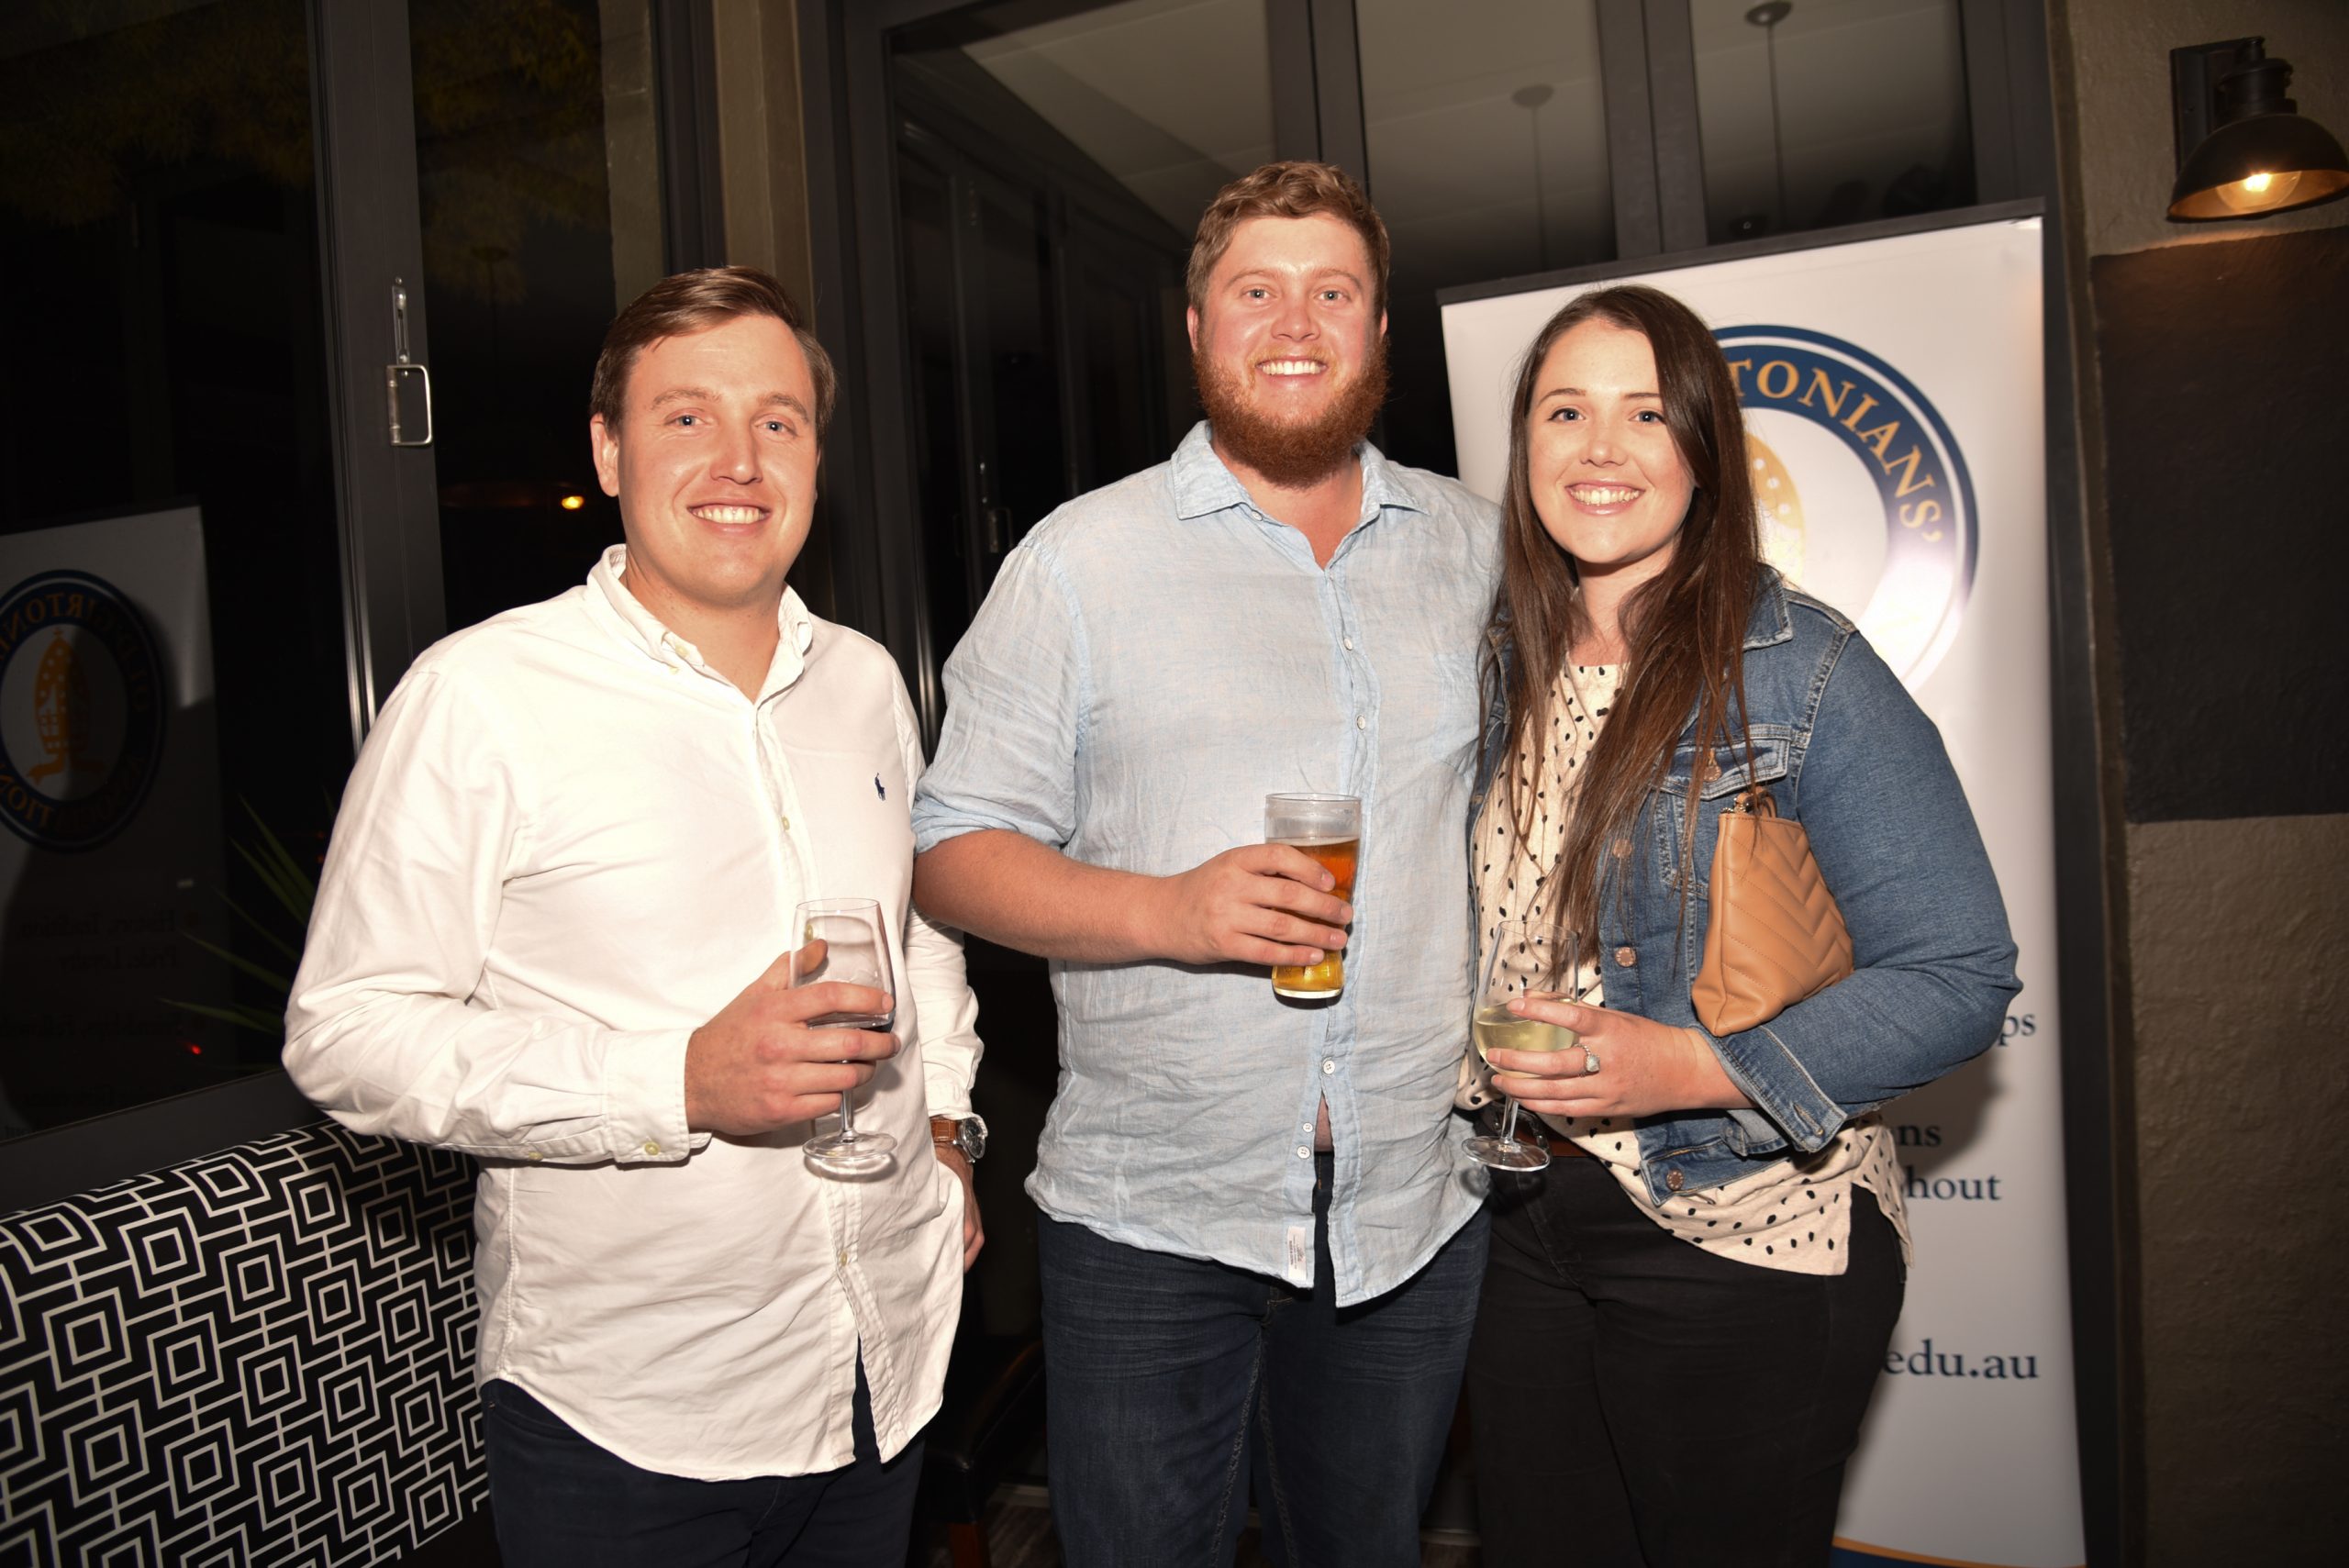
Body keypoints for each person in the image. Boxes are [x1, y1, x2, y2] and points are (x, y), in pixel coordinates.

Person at [284, 267, 986, 1568]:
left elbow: (917, 929)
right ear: (608, 452)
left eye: (778, 421)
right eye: (687, 418)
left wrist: (944, 1124)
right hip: (633, 1422)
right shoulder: (480, 697)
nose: (739, 460)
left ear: (815, 458)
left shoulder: (868, 682)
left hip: (884, 1361)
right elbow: (347, 1032)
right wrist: (676, 1081)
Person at [909, 161, 1497, 1567]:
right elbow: (949, 856)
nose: (1294, 322)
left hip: (1409, 1207)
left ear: (1379, 331)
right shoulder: (1078, 563)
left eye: (1332, 292)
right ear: (1196, 328)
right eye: (1256, 291)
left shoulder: (1481, 551)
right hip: (1151, 1216)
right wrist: (1170, 909)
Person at [1458, 284, 2020, 1567]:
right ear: (1525, 446)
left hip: (1743, 1220)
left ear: (1705, 447)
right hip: (1520, 1217)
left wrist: (1690, 1066)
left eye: (1647, 414)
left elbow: (1959, 973)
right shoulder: (1499, 668)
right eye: (1565, 412)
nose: (1601, 448)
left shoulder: (1802, 666)